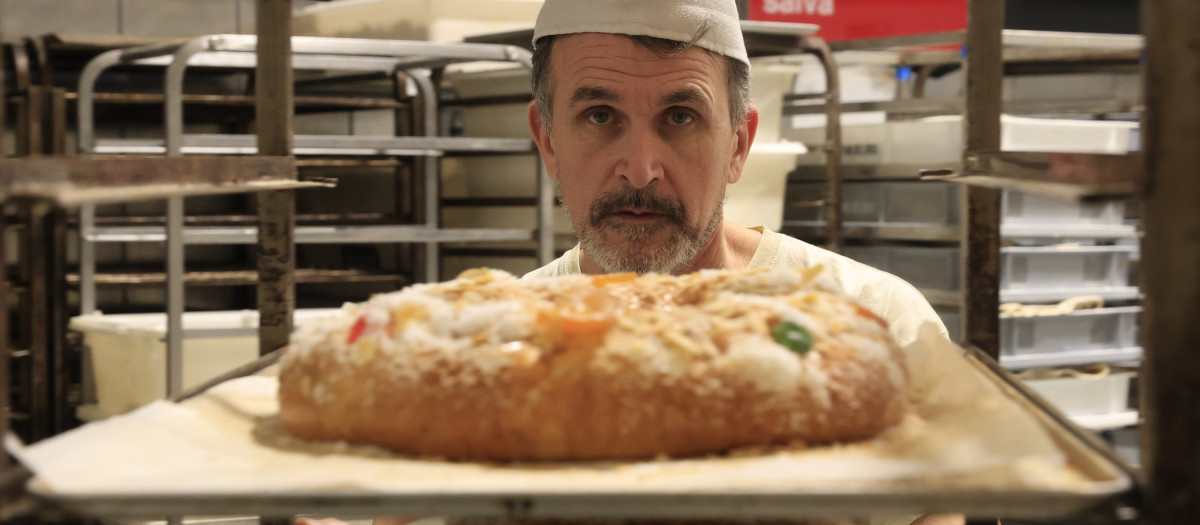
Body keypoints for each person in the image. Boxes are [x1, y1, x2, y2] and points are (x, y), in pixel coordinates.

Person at [521, 0, 947, 348]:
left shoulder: (875, 327)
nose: (640, 171)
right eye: (599, 116)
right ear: (548, 141)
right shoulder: (504, 339)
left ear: (738, 145)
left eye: (680, 117)